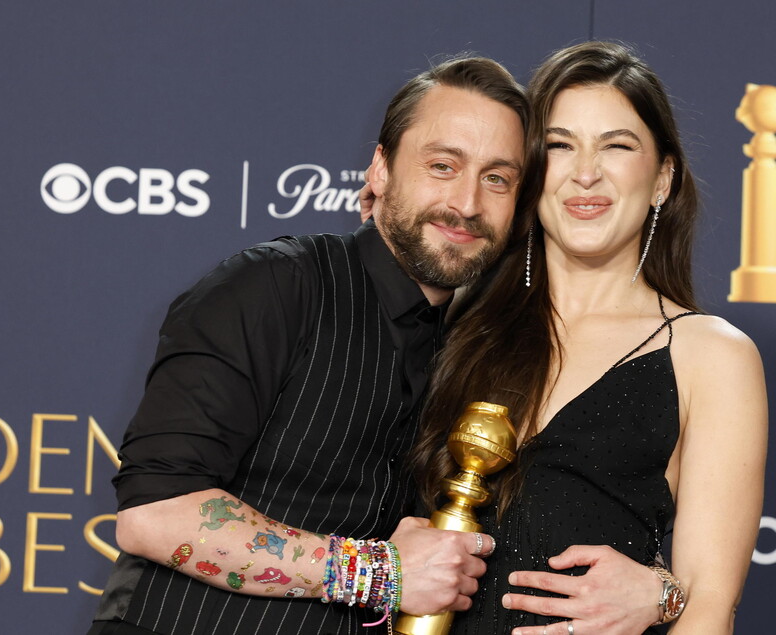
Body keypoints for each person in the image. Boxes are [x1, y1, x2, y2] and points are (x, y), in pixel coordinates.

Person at [86, 55, 539, 635]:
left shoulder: (472, 351)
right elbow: (155, 515)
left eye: (497, 178)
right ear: (380, 169)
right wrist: (380, 571)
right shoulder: (274, 286)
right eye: (442, 165)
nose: (469, 202)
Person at [409, 41, 768, 635]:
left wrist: (664, 595)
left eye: (617, 146)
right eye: (559, 145)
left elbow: (709, 606)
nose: (585, 172)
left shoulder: (710, 354)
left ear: (662, 179)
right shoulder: (455, 319)